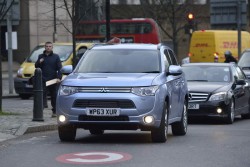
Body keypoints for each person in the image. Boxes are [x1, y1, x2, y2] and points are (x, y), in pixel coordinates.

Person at [35, 41, 62, 117]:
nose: (48, 47)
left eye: (50, 46)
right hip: (43, 79)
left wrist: (59, 78)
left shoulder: (56, 56)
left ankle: (54, 111)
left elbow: (60, 68)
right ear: (45, 47)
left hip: (53, 79)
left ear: (52, 47)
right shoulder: (41, 56)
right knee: (42, 95)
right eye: (47, 46)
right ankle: (40, 111)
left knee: (54, 96)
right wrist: (39, 62)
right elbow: (36, 66)